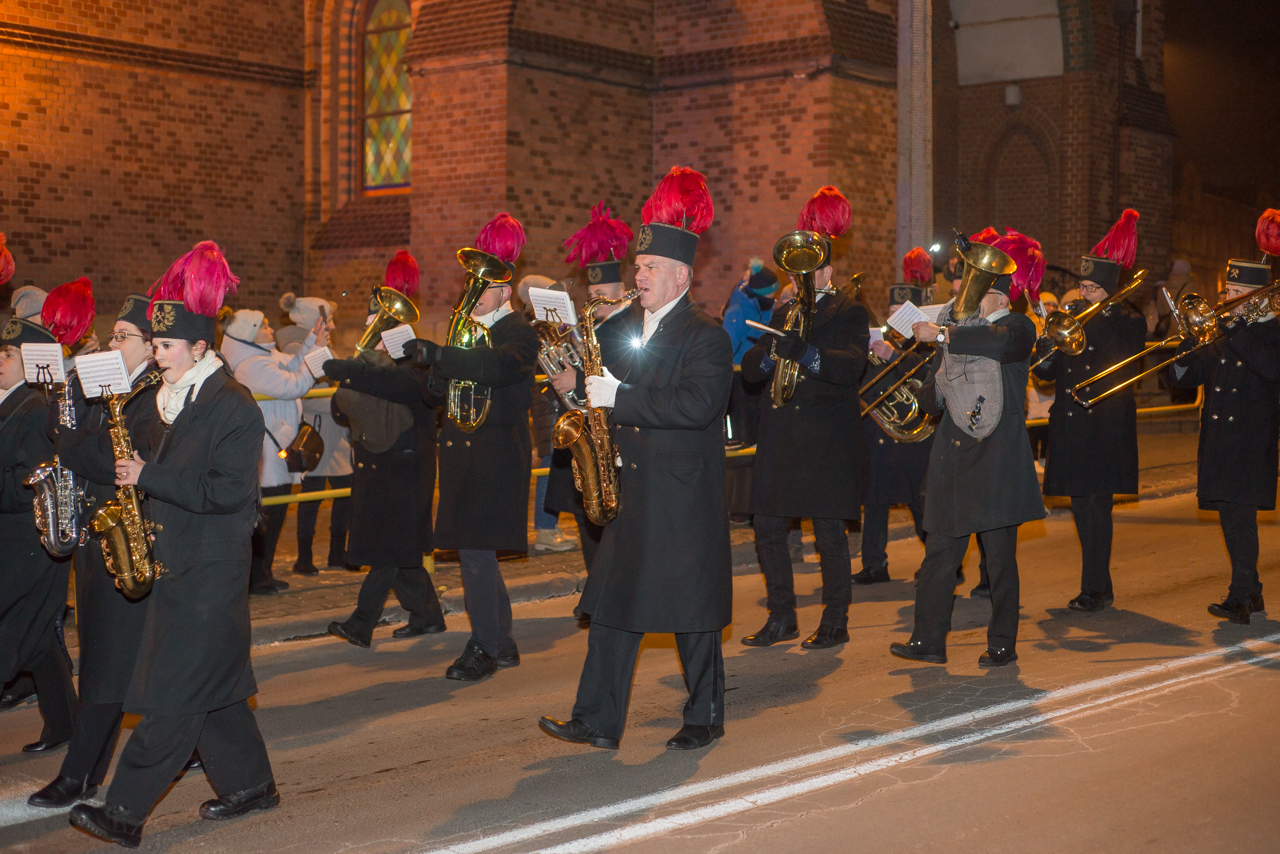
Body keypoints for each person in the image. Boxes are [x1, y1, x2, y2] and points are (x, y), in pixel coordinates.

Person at [70, 241, 278, 848]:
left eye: (164, 348)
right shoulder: (167, 400)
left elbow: (229, 492)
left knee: (175, 695)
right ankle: (250, 784)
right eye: (154, 347)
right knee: (213, 690)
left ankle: (124, 813)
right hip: (173, 562)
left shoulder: (233, 408)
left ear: (199, 347)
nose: (155, 358)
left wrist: (148, 476)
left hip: (210, 570)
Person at [540, 165, 734, 751]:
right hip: (627, 488)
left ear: (680, 275)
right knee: (614, 609)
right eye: (637, 268)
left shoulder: (707, 335)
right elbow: (599, 397)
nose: (639, 276)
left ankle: (704, 716)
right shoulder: (623, 326)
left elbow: (697, 406)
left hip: (680, 492)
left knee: (692, 612)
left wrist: (618, 395)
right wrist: (571, 384)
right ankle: (596, 720)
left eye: (650, 269)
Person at [28, 292, 166, 809]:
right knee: (139, 668)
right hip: (97, 536)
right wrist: (61, 397)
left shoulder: (152, 393)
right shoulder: (106, 387)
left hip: (126, 538)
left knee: (109, 665)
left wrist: (69, 436)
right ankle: (231, 763)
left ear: (152, 346)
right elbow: (60, 436)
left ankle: (77, 775)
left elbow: (106, 455)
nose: (111, 343)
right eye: (111, 335)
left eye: (121, 336)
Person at [890, 229, 1046, 668]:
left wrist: (941, 338)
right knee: (940, 555)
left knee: (999, 561)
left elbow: (995, 346)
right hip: (954, 461)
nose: (964, 299)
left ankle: (1002, 642)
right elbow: (929, 400)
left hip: (996, 462)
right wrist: (928, 382)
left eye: (974, 292)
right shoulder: (956, 334)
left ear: (999, 297)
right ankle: (928, 640)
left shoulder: (1018, 327)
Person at [403, 214, 539, 680]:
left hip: (496, 457)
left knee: (476, 554)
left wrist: (442, 356)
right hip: (464, 455)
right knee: (474, 553)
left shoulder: (518, 331)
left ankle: (485, 646)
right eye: (472, 286)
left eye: (483, 288)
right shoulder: (463, 333)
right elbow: (435, 395)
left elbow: (500, 368)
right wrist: (432, 374)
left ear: (505, 291)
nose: (473, 295)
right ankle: (501, 641)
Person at [739, 186, 868, 650]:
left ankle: (836, 620)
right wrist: (775, 351)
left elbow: (851, 366)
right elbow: (751, 373)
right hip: (782, 438)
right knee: (768, 528)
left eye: (809, 269)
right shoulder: (782, 310)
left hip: (825, 439)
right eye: (795, 271)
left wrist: (808, 354)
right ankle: (782, 617)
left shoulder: (849, 309)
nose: (799, 278)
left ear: (828, 271)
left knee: (828, 533)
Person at [324, 251, 446, 647]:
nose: (370, 327)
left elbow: (390, 392)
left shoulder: (411, 367)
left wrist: (350, 372)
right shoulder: (374, 366)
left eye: (377, 322)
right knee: (399, 548)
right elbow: (339, 408)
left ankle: (362, 623)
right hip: (384, 464)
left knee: (390, 547)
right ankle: (428, 615)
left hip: (406, 465)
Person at [1034, 210, 1147, 612]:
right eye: (1081, 287)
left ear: (1109, 290)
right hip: (1070, 424)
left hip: (1104, 427)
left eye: (1092, 289)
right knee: (1082, 507)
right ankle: (1101, 584)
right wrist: (1047, 347)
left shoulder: (1128, 321)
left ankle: (1094, 589)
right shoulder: (1072, 318)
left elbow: (1125, 363)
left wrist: (1094, 319)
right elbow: (1045, 376)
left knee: (1097, 507)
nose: (1084, 294)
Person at [1171, 211, 1280, 625]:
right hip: (1218, 437)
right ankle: (1251, 594)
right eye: (1227, 287)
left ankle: (1241, 596)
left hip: (1252, 439)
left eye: (1235, 290)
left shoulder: (1270, 331)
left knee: (1241, 518)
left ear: (1256, 295)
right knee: (1230, 517)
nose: (1227, 295)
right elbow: (1188, 377)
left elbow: (1271, 368)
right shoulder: (1220, 330)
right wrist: (1184, 348)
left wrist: (1234, 329)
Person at [0, 303, 79, 756]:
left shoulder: (33, 410)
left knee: (12, 634)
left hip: (23, 545)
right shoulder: (13, 404)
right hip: (15, 543)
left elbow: (28, 484)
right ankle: (66, 723)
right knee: (36, 639)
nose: (1, 359)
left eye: (9, 353)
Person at [546, 201, 641, 572]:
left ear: (620, 287)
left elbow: (626, 373)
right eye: (592, 288)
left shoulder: (631, 324)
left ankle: (607, 593)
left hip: (613, 436)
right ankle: (596, 592)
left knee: (611, 528)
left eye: (604, 288)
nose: (596, 295)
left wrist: (578, 379)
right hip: (585, 429)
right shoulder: (594, 325)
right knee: (589, 524)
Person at [221, 307, 328, 595]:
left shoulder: (261, 357)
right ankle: (258, 577)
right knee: (267, 519)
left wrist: (313, 343)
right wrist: (314, 354)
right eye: (263, 325)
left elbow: (292, 364)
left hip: (276, 451)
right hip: (268, 455)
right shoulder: (252, 365)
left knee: (276, 515)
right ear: (248, 333)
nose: (270, 329)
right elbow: (295, 384)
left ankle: (264, 573)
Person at [854, 249, 936, 586]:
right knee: (874, 502)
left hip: (917, 440)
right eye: (889, 314)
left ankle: (939, 563)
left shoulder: (930, 344)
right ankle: (874, 564)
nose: (893, 321)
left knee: (921, 504)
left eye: (901, 315)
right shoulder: (879, 341)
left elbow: (929, 381)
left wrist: (895, 358)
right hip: (880, 435)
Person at [278, 294, 354, 575]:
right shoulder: (297, 347)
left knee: (345, 492)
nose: (332, 327)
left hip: (335, 430)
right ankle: (304, 558)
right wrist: (342, 398)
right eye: (328, 320)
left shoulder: (319, 345)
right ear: (314, 321)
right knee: (311, 496)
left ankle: (337, 553)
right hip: (318, 432)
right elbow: (303, 391)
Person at [520, 274, 577, 554]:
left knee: (555, 463)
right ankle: (544, 529)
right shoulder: (534, 328)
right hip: (549, 402)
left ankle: (549, 526)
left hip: (555, 401)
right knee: (548, 464)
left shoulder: (547, 326)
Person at [720, 259, 780, 521]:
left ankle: (757, 504)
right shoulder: (737, 311)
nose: (774, 299)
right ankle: (740, 507)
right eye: (771, 295)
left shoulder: (762, 304)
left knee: (759, 443)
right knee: (742, 446)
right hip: (739, 384)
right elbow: (725, 349)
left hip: (757, 380)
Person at [1025, 289, 1058, 468]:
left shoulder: (1058, 324)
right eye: (1047, 304)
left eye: (1054, 304)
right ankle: (1034, 458)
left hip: (1051, 385)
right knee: (1035, 424)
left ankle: (1045, 457)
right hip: (1034, 384)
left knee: (1048, 423)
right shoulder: (1031, 324)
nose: (1051, 307)